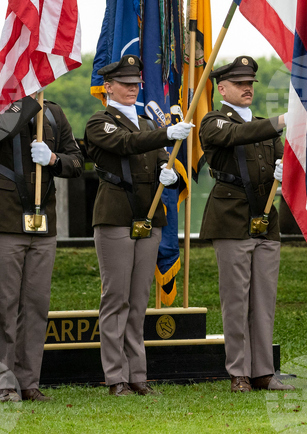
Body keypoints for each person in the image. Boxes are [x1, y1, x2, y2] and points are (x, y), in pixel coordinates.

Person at [83, 54, 192, 397]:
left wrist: (170, 174)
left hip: (150, 218)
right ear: (109, 87)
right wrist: (165, 134)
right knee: (116, 298)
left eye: (136, 84)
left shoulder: (147, 124)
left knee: (138, 299)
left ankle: (138, 376)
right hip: (115, 216)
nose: (132, 89)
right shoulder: (99, 122)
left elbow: (162, 159)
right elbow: (125, 144)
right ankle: (116, 377)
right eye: (125, 84)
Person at [0, 91, 83, 402]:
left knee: (35, 307)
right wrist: (27, 103)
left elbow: (77, 160)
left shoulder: (53, 111)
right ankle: (2, 385)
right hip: (1, 220)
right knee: (2, 307)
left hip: (42, 221)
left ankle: (28, 382)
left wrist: (55, 159)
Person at [198, 55, 292, 393]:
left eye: (250, 83)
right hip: (231, 219)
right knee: (235, 300)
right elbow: (237, 135)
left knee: (264, 301)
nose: (247, 88)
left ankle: (263, 371)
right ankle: (239, 371)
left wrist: (287, 168)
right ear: (222, 88)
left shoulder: (266, 125)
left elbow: (284, 156)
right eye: (239, 84)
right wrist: (281, 120)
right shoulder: (213, 121)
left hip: (265, 220)